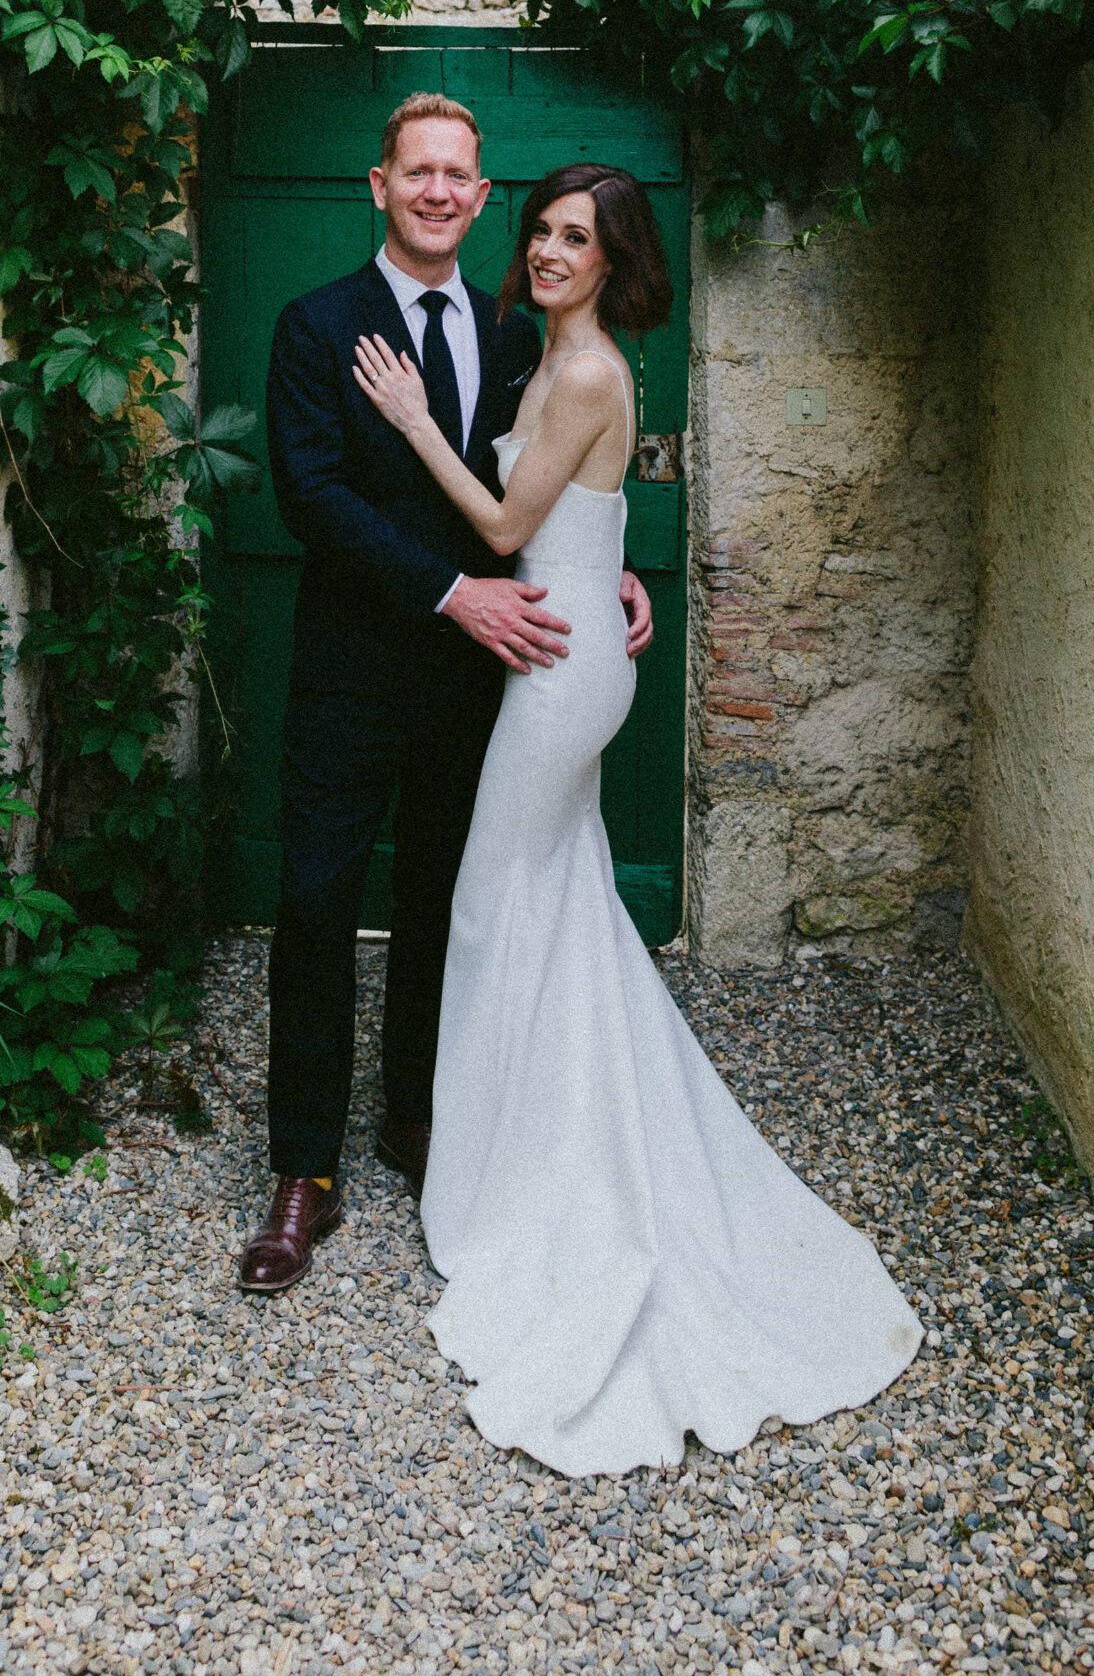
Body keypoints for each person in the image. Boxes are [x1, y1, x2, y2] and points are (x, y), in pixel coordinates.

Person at [351, 162, 923, 1476]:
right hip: (570, 645)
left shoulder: (592, 370)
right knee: (555, 909)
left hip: (558, 677)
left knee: (490, 907)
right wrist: (613, 578)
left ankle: (513, 1183)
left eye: (579, 239)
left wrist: (412, 419)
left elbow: (506, 517)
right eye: (544, 231)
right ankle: (545, 1145)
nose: (553, 252)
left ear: (615, 260)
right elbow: (580, 520)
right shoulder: (550, 357)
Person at [238, 96, 654, 1294]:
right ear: (380, 185)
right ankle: (303, 1168)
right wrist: (449, 591)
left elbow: (555, 485)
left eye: (455, 176)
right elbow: (312, 497)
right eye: (414, 170)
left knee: (444, 900)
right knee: (317, 901)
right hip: (350, 671)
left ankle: (421, 1119)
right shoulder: (317, 326)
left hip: (485, 680)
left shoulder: (521, 330)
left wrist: (608, 564)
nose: (434, 191)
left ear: (479, 198)